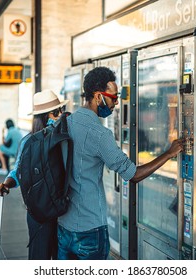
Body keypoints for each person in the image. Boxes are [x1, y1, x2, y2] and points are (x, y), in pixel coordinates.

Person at [57, 66, 184, 260]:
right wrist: (169, 153)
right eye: (114, 97)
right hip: (90, 230)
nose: (116, 103)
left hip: (64, 225)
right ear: (99, 96)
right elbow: (133, 175)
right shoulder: (99, 134)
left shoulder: (66, 122)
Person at [0, 90, 69, 260]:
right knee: (40, 257)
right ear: (46, 116)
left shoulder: (63, 138)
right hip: (43, 210)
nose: (62, 115)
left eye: (62, 110)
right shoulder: (29, 142)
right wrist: (7, 184)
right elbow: (18, 171)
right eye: (58, 112)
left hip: (57, 210)